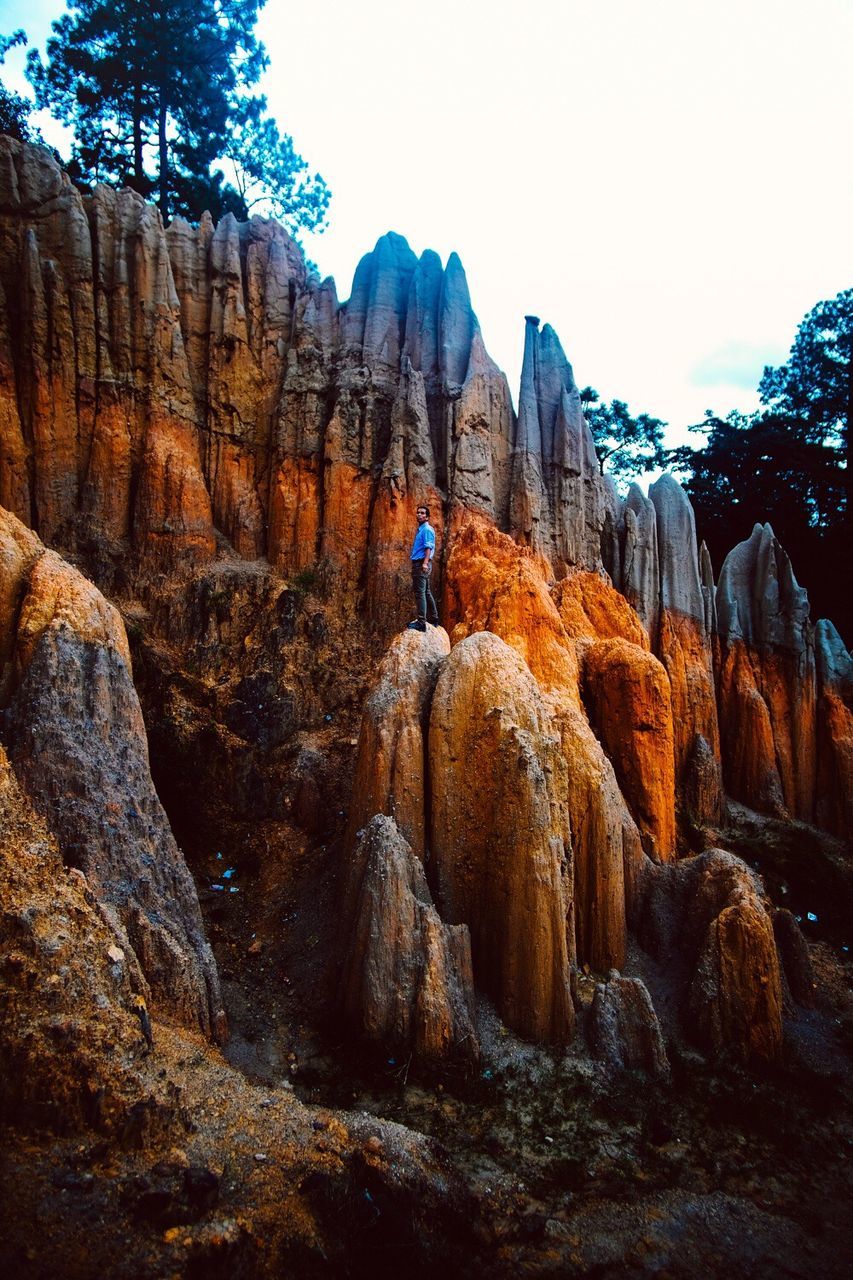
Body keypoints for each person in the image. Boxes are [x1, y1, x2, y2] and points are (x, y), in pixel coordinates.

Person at [407, 504, 439, 632]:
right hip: (420, 563)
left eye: (422, 513)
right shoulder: (422, 529)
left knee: (420, 593)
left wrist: (425, 563)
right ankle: (434, 618)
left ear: (427, 517)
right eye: (418, 512)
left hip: (421, 564)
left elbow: (428, 547)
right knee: (426, 592)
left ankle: (421, 622)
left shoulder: (426, 530)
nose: (419, 515)